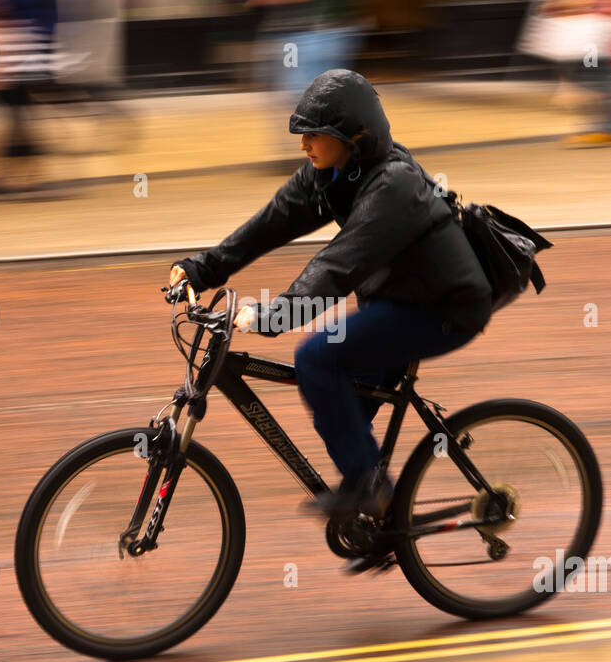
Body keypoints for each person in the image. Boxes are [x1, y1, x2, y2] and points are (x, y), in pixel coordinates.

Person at [167, 70, 492, 573]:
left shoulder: (394, 185)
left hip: (441, 310)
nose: (303, 144)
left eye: (314, 134)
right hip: (396, 300)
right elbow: (271, 222)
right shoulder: (335, 173)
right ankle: (379, 524)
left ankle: (371, 493)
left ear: (354, 138)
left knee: (317, 358)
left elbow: (337, 266)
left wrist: (273, 316)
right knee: (338, 411)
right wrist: (201, 268)